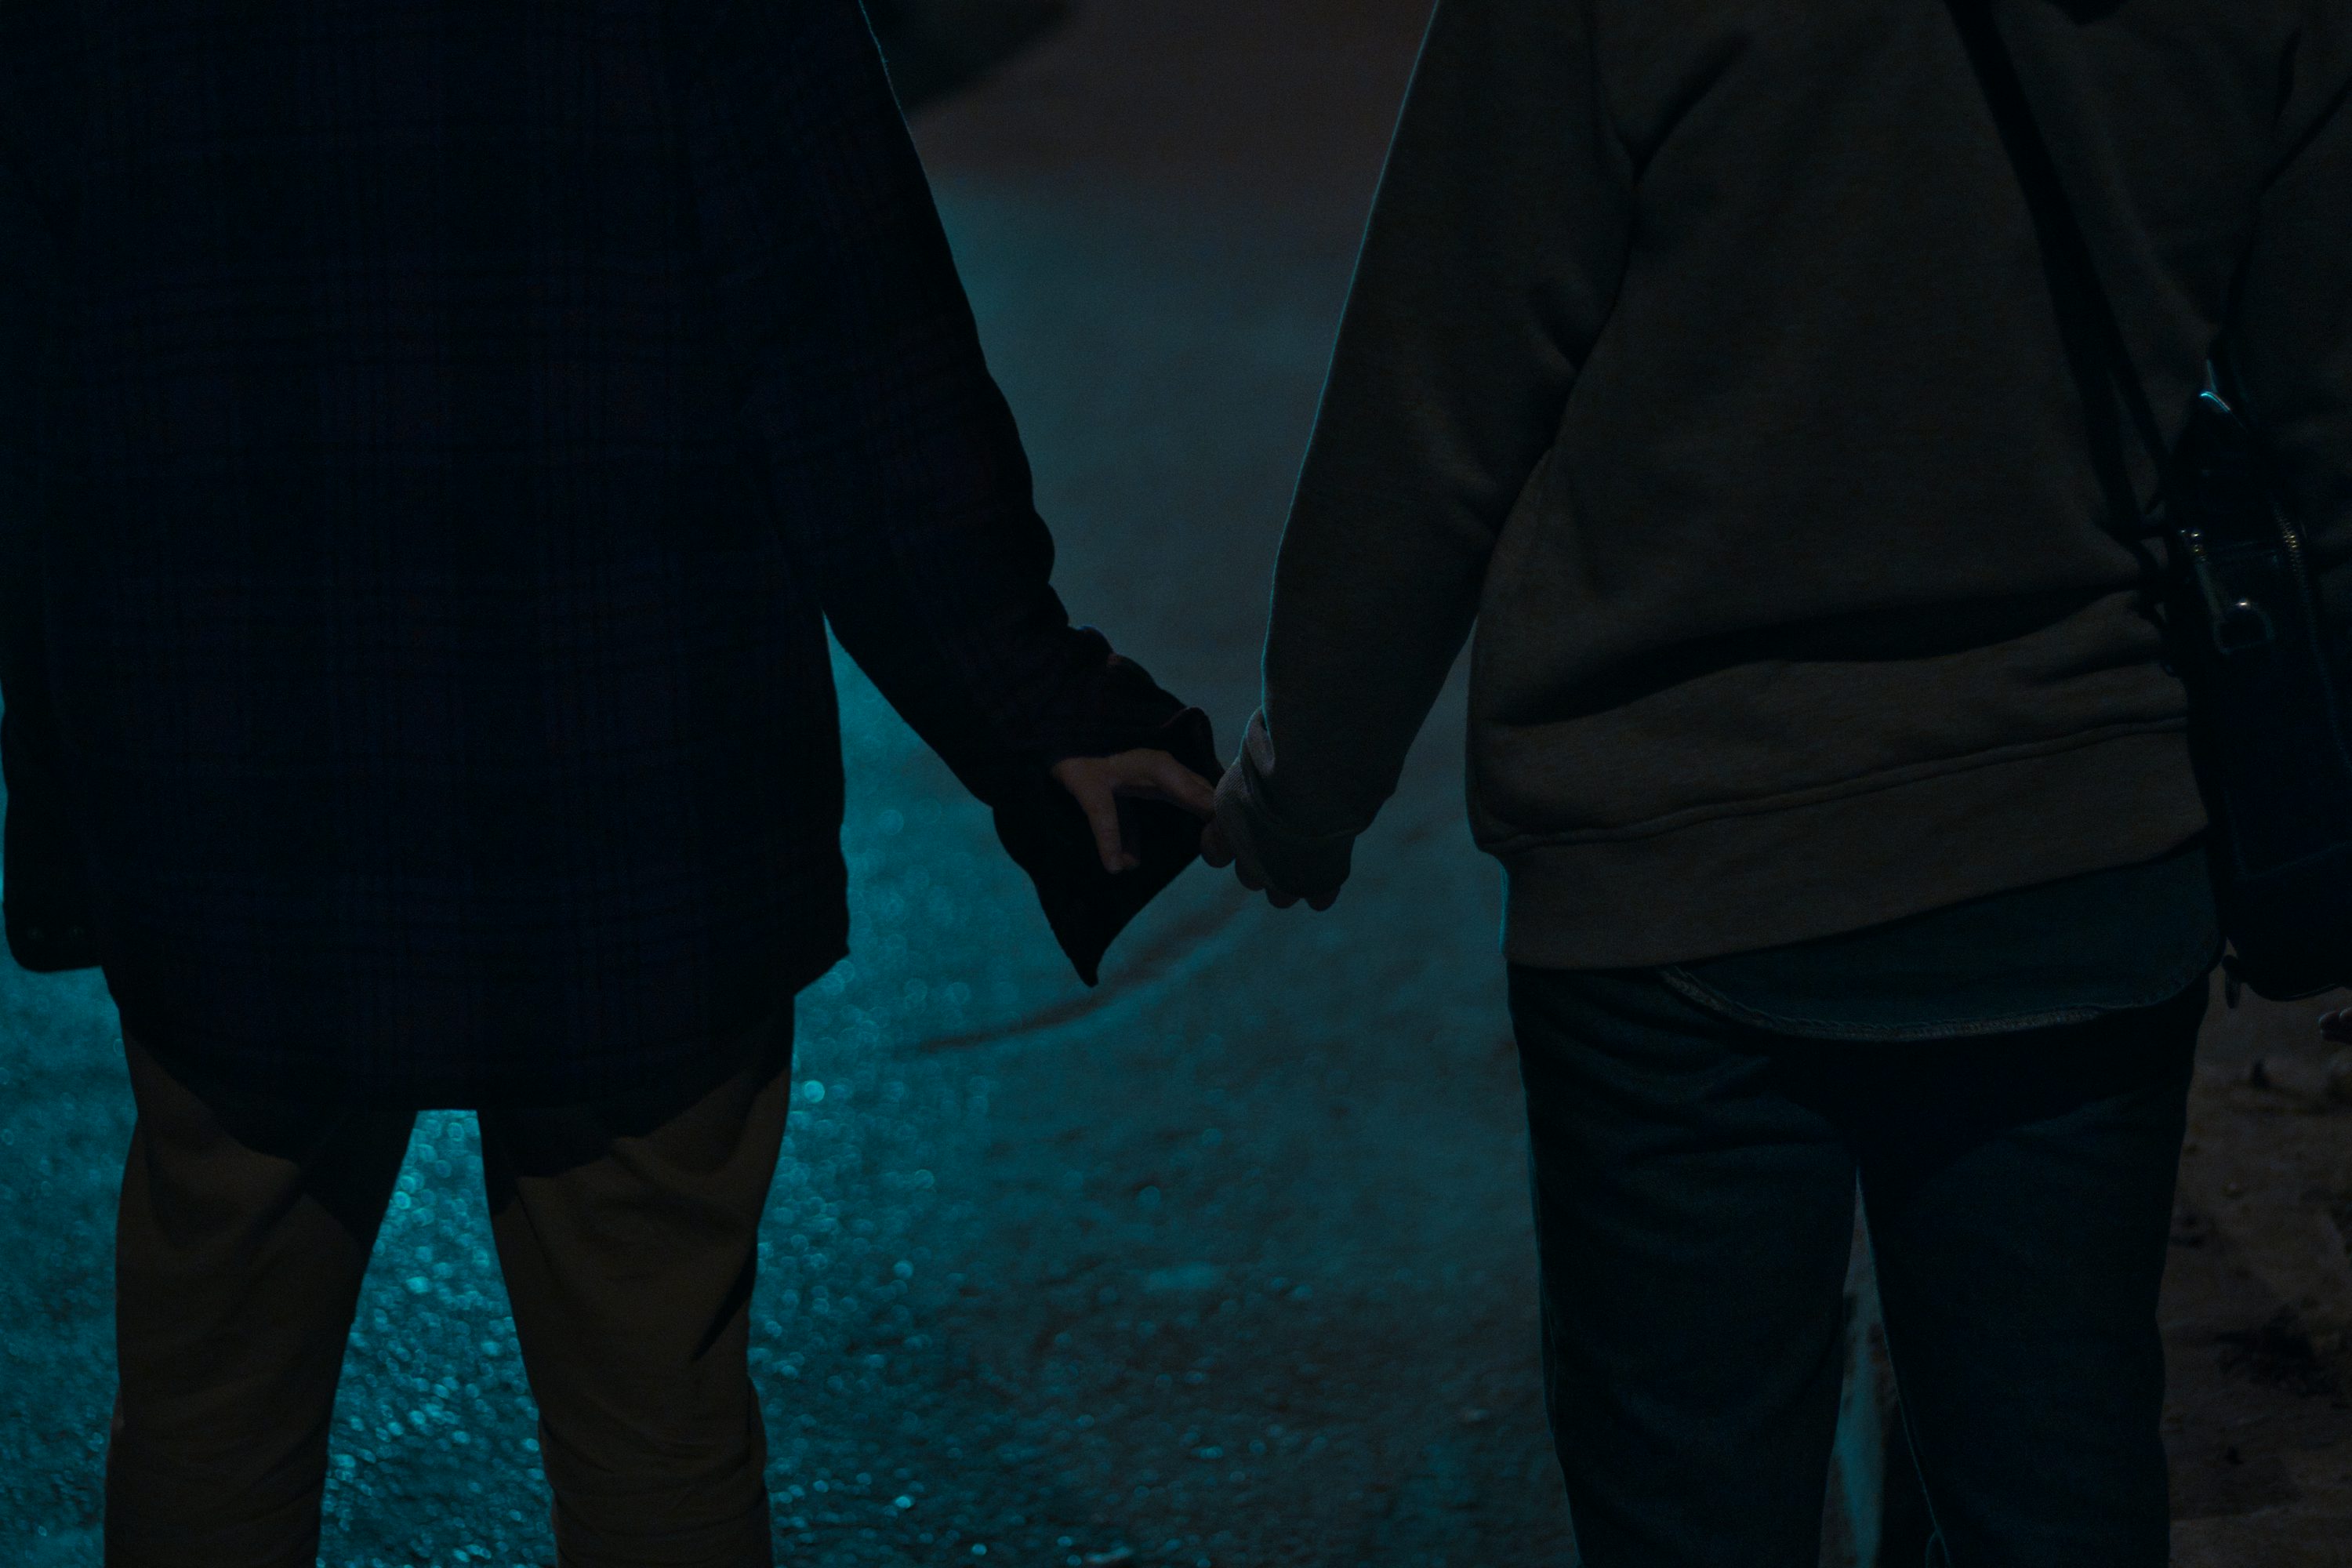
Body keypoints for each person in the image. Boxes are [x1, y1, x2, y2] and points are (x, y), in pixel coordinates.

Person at [0, 2, 1216, 1564]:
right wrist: (1037, 705)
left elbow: (27, 381)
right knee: (658, 1414)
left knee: (213, 1396)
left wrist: (68, 787)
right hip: (633, 788)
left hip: (237, 787)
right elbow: (853, 352)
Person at [1202, 1, 2351, 1563]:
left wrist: (1308, 787)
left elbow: (1439, 395)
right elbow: (2330, 424)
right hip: (2079, 843)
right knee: (2056, 1481)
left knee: (1692, 1496)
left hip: (1673, 863)